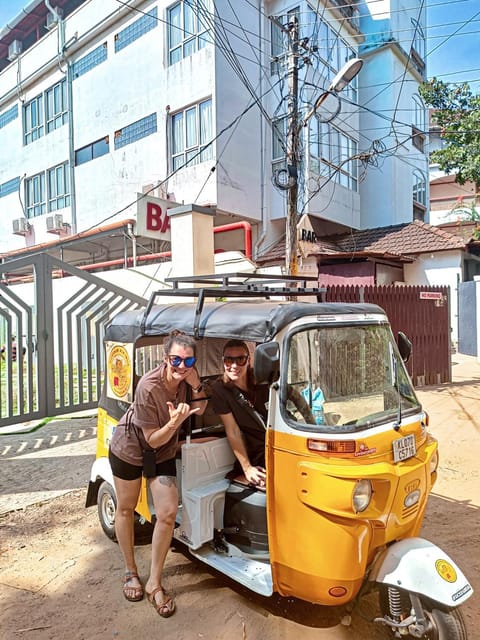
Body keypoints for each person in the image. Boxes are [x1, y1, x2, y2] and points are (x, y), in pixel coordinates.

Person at [108, 329, 207, 617]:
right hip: (131, 447)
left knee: (166, 513)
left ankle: (154, 582)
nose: (181, 367)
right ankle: (130, 571)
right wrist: (175, 423)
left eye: (189, 362)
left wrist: (196, 382)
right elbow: (151, 439)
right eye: (176, 360)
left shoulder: (188, 379)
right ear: (166, 359)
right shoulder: (149, 387)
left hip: (162, 450)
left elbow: (201, 410)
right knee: (126, 509)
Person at [210, 340, 269, 488]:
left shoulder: (262, 379)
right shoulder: (220, 389)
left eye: (240, 359)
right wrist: (247, 468)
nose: (234, 366)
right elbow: (233, 430)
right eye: (229, 360)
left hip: (279, 440)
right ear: (223, 362)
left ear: (248, 361)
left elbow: (293, 398)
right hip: (257, 449)